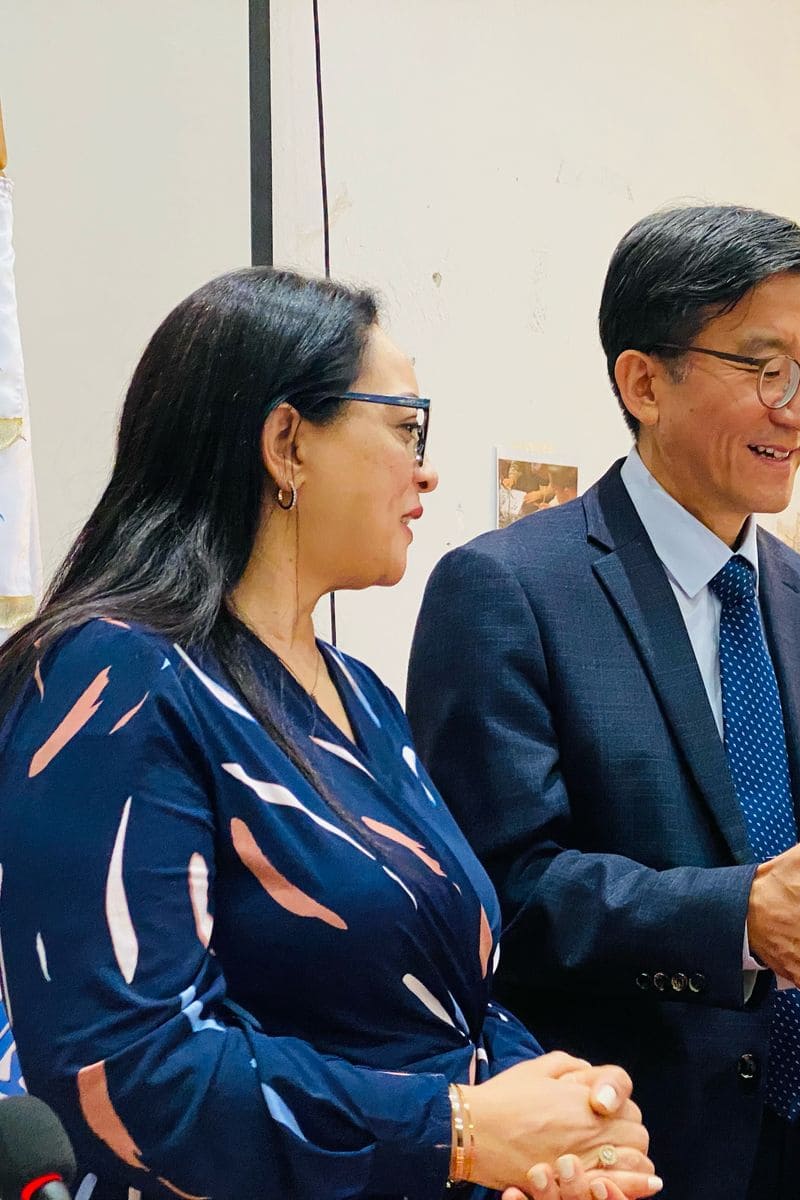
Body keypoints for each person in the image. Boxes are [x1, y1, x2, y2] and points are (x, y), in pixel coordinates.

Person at [0, 268, 657, 1200]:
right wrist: (460, 1130)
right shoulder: (115, 677)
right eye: (406, 427)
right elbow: (129, 1071)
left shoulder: (362, 694)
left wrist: (566, 1118)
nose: (426, 470)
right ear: (287, 444)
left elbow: (444, 1003)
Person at [408, 205, 800, 1200]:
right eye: (765, 369)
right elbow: (503, 890)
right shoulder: (508, 590)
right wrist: (737, 918)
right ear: (644, 382)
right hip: (625, 1141)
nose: (799, 412)